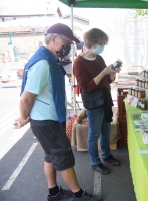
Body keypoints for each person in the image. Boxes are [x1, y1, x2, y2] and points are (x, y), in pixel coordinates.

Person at [14, 23, 94, 201]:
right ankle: (79, 196)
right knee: (63, 158)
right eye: (66, 41)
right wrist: (24, 117)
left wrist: (27, 118)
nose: (68, 46)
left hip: (44, 120)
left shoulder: (49, 58)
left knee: (50, 156)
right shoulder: (43, 63)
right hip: (47, 122)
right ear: (52, 39)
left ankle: (54, 192)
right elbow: (26, 98)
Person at [73, 28, 120, 174]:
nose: (102, 47)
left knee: (105, 131)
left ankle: (106, 155)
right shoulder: (79, 62)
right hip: (93, 103)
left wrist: (112, 74)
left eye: (104, 44)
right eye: (101, 43)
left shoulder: (99, 58)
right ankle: (95, 162)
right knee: (93, 134)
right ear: (91, 42)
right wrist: (103, 72)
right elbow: (86, 87)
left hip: (105, 99)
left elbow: (107, 81)